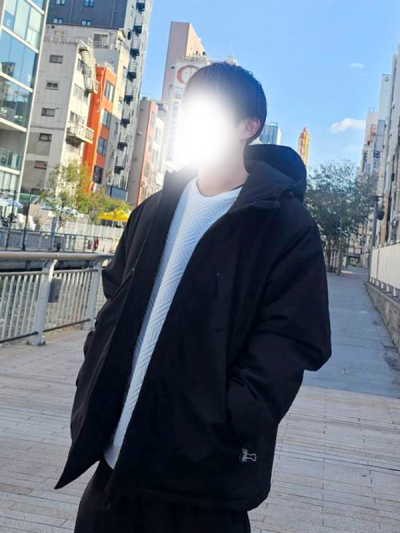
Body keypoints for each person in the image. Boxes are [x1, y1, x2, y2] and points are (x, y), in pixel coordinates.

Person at [55, 62, 331, 533]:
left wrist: (229, 419)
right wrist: (92, 377)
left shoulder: (285, 226)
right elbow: (114, 299)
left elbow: (294, 338)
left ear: (248, 127)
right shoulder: (154, 210)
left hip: (203, 485)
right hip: (114, 465)